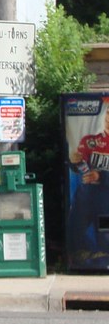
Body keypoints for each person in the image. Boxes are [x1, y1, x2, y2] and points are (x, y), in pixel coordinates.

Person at [68, 103, 109, 263]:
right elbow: (80, 168)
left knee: (105, 237)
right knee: (75, 230)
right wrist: (74, 161)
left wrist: (100, 176)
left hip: (106, 201)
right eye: (107, 113)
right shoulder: (91, 141)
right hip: (85, 197)